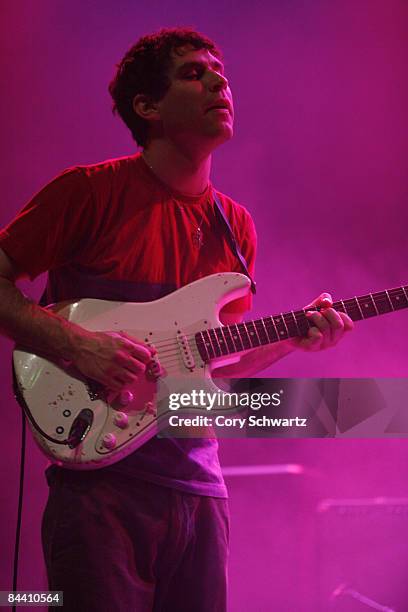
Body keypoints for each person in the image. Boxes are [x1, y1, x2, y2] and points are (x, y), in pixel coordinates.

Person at [0, 27, 353, 612]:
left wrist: (294, 341)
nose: (219, 80)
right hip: (100, 492)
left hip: (199, 491)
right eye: (194, 72)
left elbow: (213, 374)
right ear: (148, 107)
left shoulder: (235, 228)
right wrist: (79, 346)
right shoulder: (88, 192)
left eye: (221, 71)